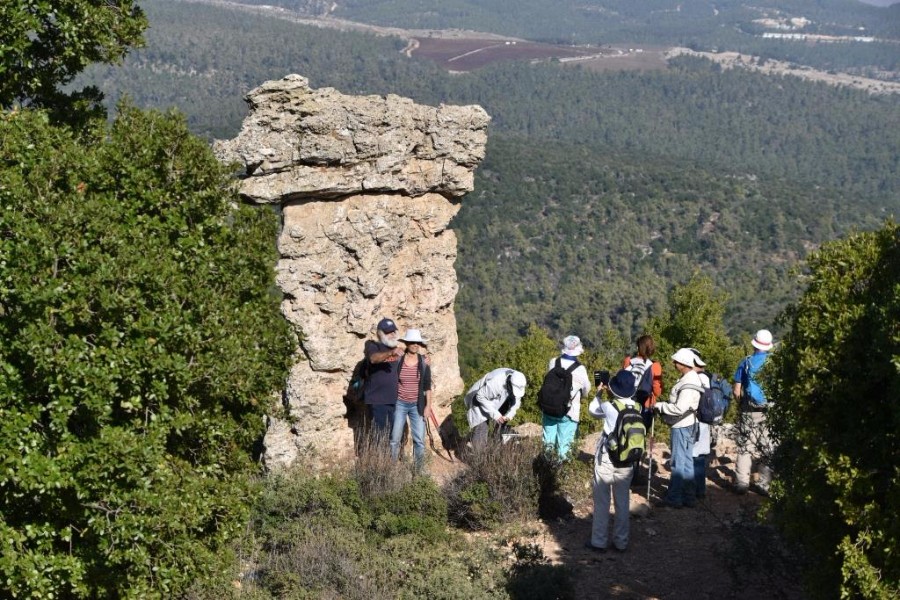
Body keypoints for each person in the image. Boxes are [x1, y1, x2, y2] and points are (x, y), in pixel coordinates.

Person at [586, 369, 639, 552]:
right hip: (628, 461)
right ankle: (621, 542)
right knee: (622, 502)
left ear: (614, 389)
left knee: (602, 502)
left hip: (607, 459)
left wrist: (600, 391)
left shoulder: (609, 407)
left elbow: (592, 410)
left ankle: (599, 542)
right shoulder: (637, 407)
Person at [654, 348, 704, 508]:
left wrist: (660, 406)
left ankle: (674, 497)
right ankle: (689, 497)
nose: (674, 364)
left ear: (684, 363)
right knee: (688, 461)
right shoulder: (692, 378)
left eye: (677, 362)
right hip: (690, 424)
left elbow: (679, 408)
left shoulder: (688, 383)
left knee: (677, 462)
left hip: (682, 425)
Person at [732, 329, 775, 495]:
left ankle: (742, 483)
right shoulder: (775, 362)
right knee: (767, 447)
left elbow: (737, 390)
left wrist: (741, 405)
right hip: (769, 411)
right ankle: (764, 485)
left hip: (749, 410)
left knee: (745, 447)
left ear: (755, 343)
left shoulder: (746, 362)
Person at [542, 335, 591, 461]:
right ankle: (560, 477)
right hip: (569, 411)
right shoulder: (580, 369)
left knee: (548, 443)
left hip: (550, 408)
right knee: (564, 447)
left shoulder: (553, 362)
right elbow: (586, 390)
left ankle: (545, 469)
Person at [390, 329, 433, 470]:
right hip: (400, 404)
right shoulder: (399, 359)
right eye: (412, 342)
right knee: (395, 439)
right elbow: (381, 361)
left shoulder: (423, 362)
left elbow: (427, 386)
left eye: (417, 342)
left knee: (419, 440)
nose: (415, 345)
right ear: (407, 343)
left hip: (417, 405)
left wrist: (428, 407)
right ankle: (392, 468)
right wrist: (393, 350)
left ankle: (419, 471)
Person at [623, 334, 662, 484]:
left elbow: (623, 381)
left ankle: (624, 470)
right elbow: (657, 391)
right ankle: (635, 474)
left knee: (626, 436)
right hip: (645, 407)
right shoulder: (655, 366)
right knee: (639, 439)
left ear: (638, 346)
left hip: (627, 405)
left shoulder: (628, 361)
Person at [363, 317, 404, 439]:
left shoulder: (398, 349)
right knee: (379, 435)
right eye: (387, 332)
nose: (391, 335)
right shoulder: (373, 345)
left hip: (397, 400)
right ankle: (378, 458)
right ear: (380, 334)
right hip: (377, 400)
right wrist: (390, 353)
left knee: (395, 435)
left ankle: (392, 458)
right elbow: (373, 358)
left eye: (393, 331)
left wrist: (425, 360)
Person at [464, 368, 526, 446]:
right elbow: (480, 396)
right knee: (482, 428)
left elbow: (516, 402)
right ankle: (477, 452)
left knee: (502, 420)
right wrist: (495, 414)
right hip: (479, 398)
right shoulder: (497, 383)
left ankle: (496, 442)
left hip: (498, 398)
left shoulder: (518, 381)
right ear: (510, 383)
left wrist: (508, 416)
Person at [689, 349, 711, 500]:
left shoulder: (697, 378)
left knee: (693, 455)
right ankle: (700, 490)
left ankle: (692, 490)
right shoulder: (707, 377)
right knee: (700, 456)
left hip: (695, 420)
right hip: (705, 420)